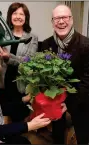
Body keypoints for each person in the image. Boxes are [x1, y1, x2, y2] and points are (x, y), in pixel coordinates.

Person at [40, 4, 89, 144]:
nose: (61, 22)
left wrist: (69, 103)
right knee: (57, 137)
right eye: (57, 18)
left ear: (71, 19)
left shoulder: (85, 45)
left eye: (64, 17)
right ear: (52, 22)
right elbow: (45, 74)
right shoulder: (46, 44)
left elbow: (87, 80)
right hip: (55, 101)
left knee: (82, 138)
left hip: (80, 101)